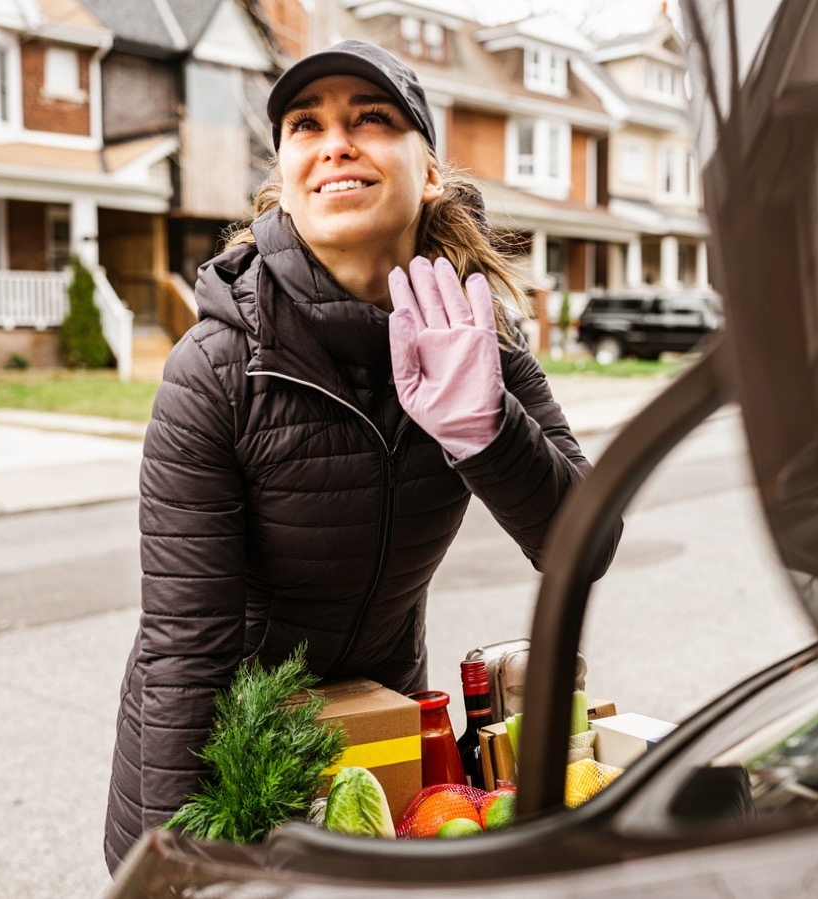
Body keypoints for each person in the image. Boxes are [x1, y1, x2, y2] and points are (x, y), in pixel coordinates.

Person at [104, 39, 621, 872]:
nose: (335, 142)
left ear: (430, 175)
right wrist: (177, 866)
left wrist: (484, 430)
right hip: (228, 760)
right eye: (307, 126)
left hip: (380, 733)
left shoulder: (473, 339)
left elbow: (584, 544)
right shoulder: (217, 369)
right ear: (288, 176)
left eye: (371, 119)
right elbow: (184, 646)